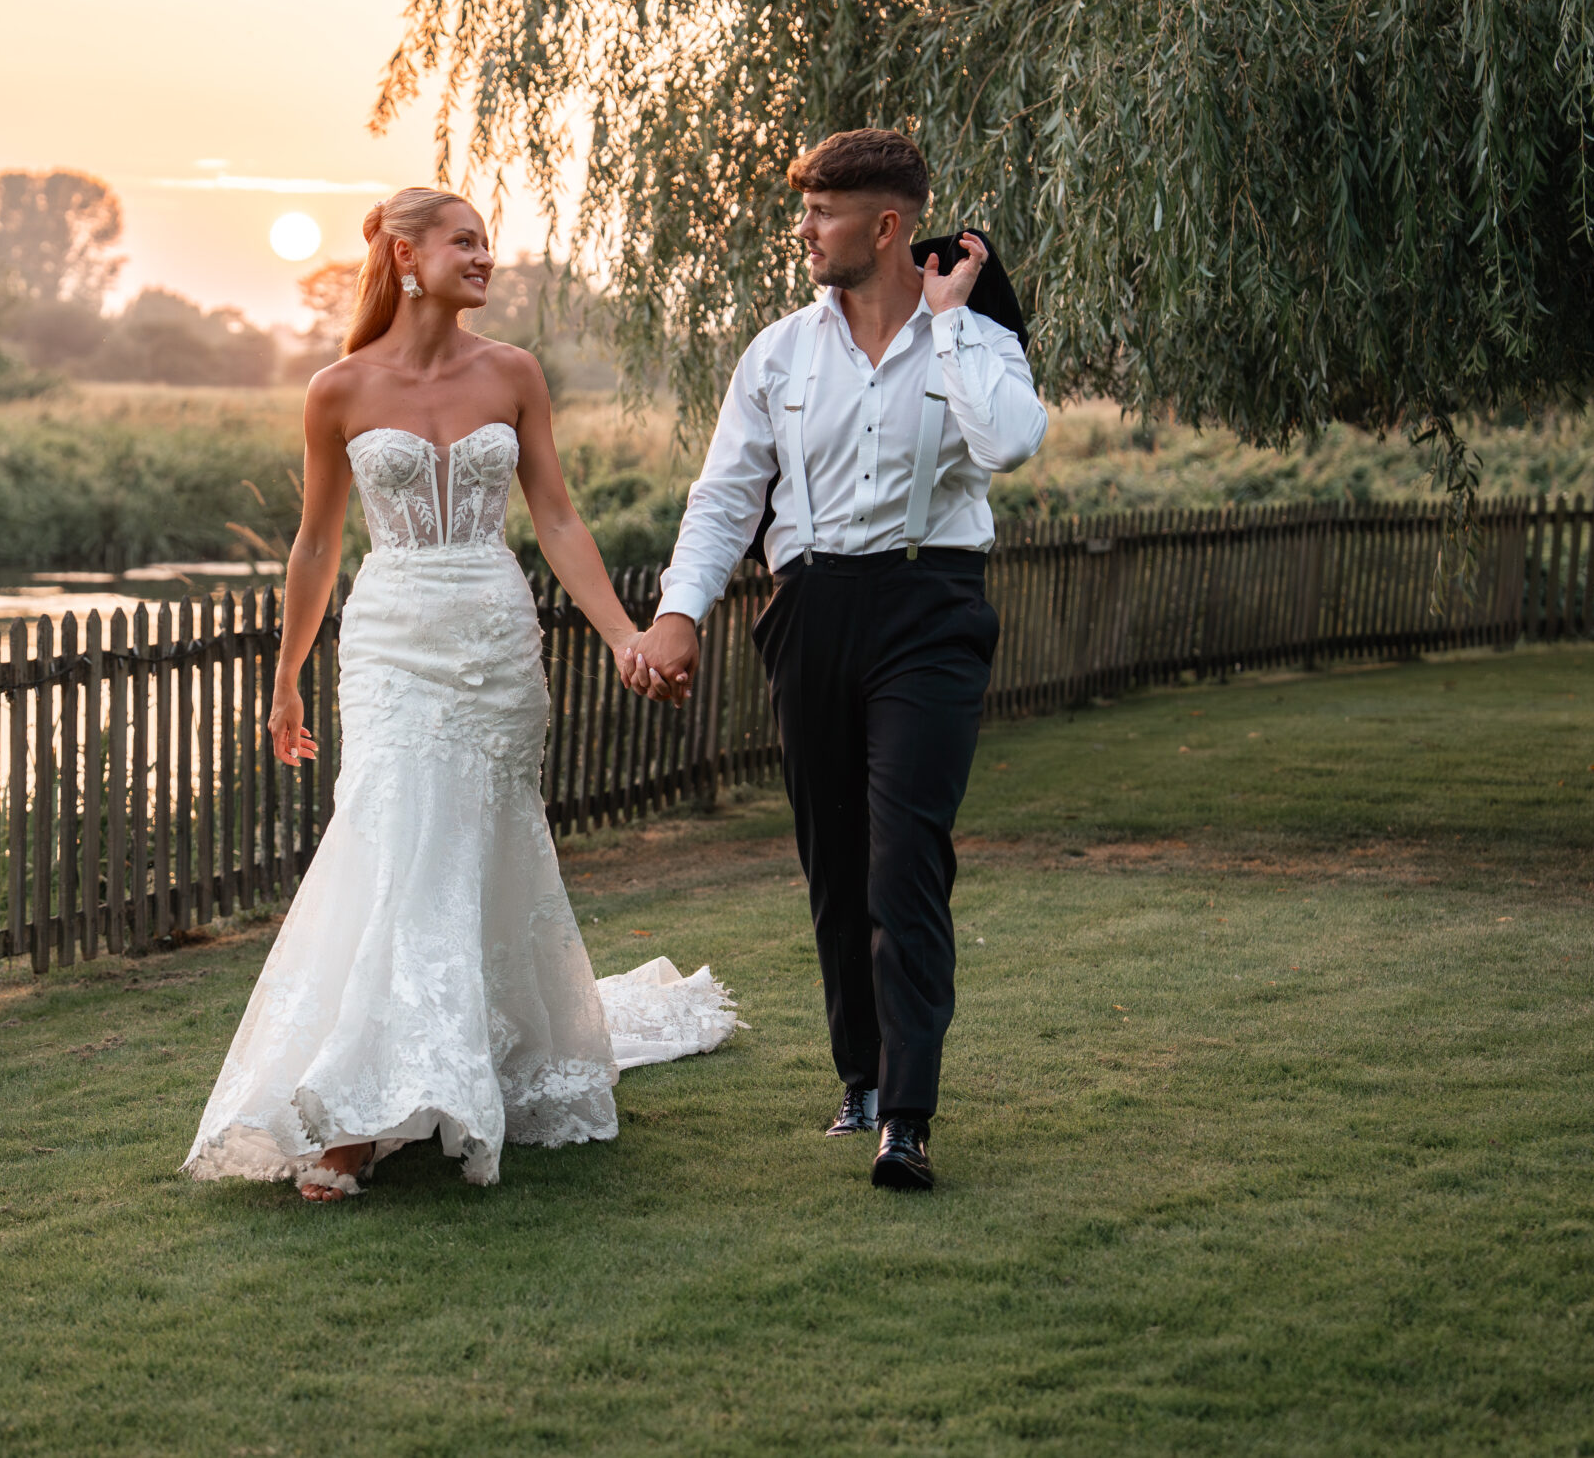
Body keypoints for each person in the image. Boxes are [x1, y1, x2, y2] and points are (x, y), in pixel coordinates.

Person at [183, 187, 740, 1202]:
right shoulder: (338, 389)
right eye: (465, 243)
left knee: (476, 848)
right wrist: (285, 678)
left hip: (491, 636)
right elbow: (314, 543)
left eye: (488, 243)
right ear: (405, 256)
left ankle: (447, 1065)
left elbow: (560, 522)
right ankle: (355, 1113)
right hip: (393, 641)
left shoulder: (513, 374)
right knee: (397, 841)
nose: (485, 258)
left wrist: (621, 634)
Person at [617, 130, 1046, 1191]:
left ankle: (906, 1113)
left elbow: (1007, 446)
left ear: (886, 226)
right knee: (834, 862)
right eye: (803, 209)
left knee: (906, 860)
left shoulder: (978, 339)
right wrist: (679, 613)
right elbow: (724, 497)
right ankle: (858, 1078)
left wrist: (946, 326)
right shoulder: (777, 352)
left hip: (929, 605)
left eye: (820, 211)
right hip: (808, 610)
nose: (801, 229)